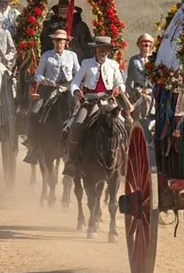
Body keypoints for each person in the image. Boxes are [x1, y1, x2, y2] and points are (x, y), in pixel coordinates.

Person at [64, 36, 126, 177]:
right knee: (76, 125)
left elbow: (121, 83)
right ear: (96, 49)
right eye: (100, 49)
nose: (102, 52)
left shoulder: (113, 65)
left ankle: (124, 159)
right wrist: (77, 91)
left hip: (109, 102)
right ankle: (72, 161)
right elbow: (74, 82)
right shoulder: (86, 64)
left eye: (105, 50)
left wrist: (118, 88)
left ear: (109, 51)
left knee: (123, 125)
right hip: (90, 102)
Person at [24, 28, 80, 163]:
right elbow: (38, 74)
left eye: (62, 41)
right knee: (35, 111)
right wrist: (44, 80)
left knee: (78, 111)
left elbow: (78, 73)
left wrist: (74, 84)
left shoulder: (72, 56)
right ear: (53, 41)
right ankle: (32, 143)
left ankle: (79, 143)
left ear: (66, 43)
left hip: (68, 89)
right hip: (49, 89)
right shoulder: (46, 56)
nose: (59, 43)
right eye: (57, 41)